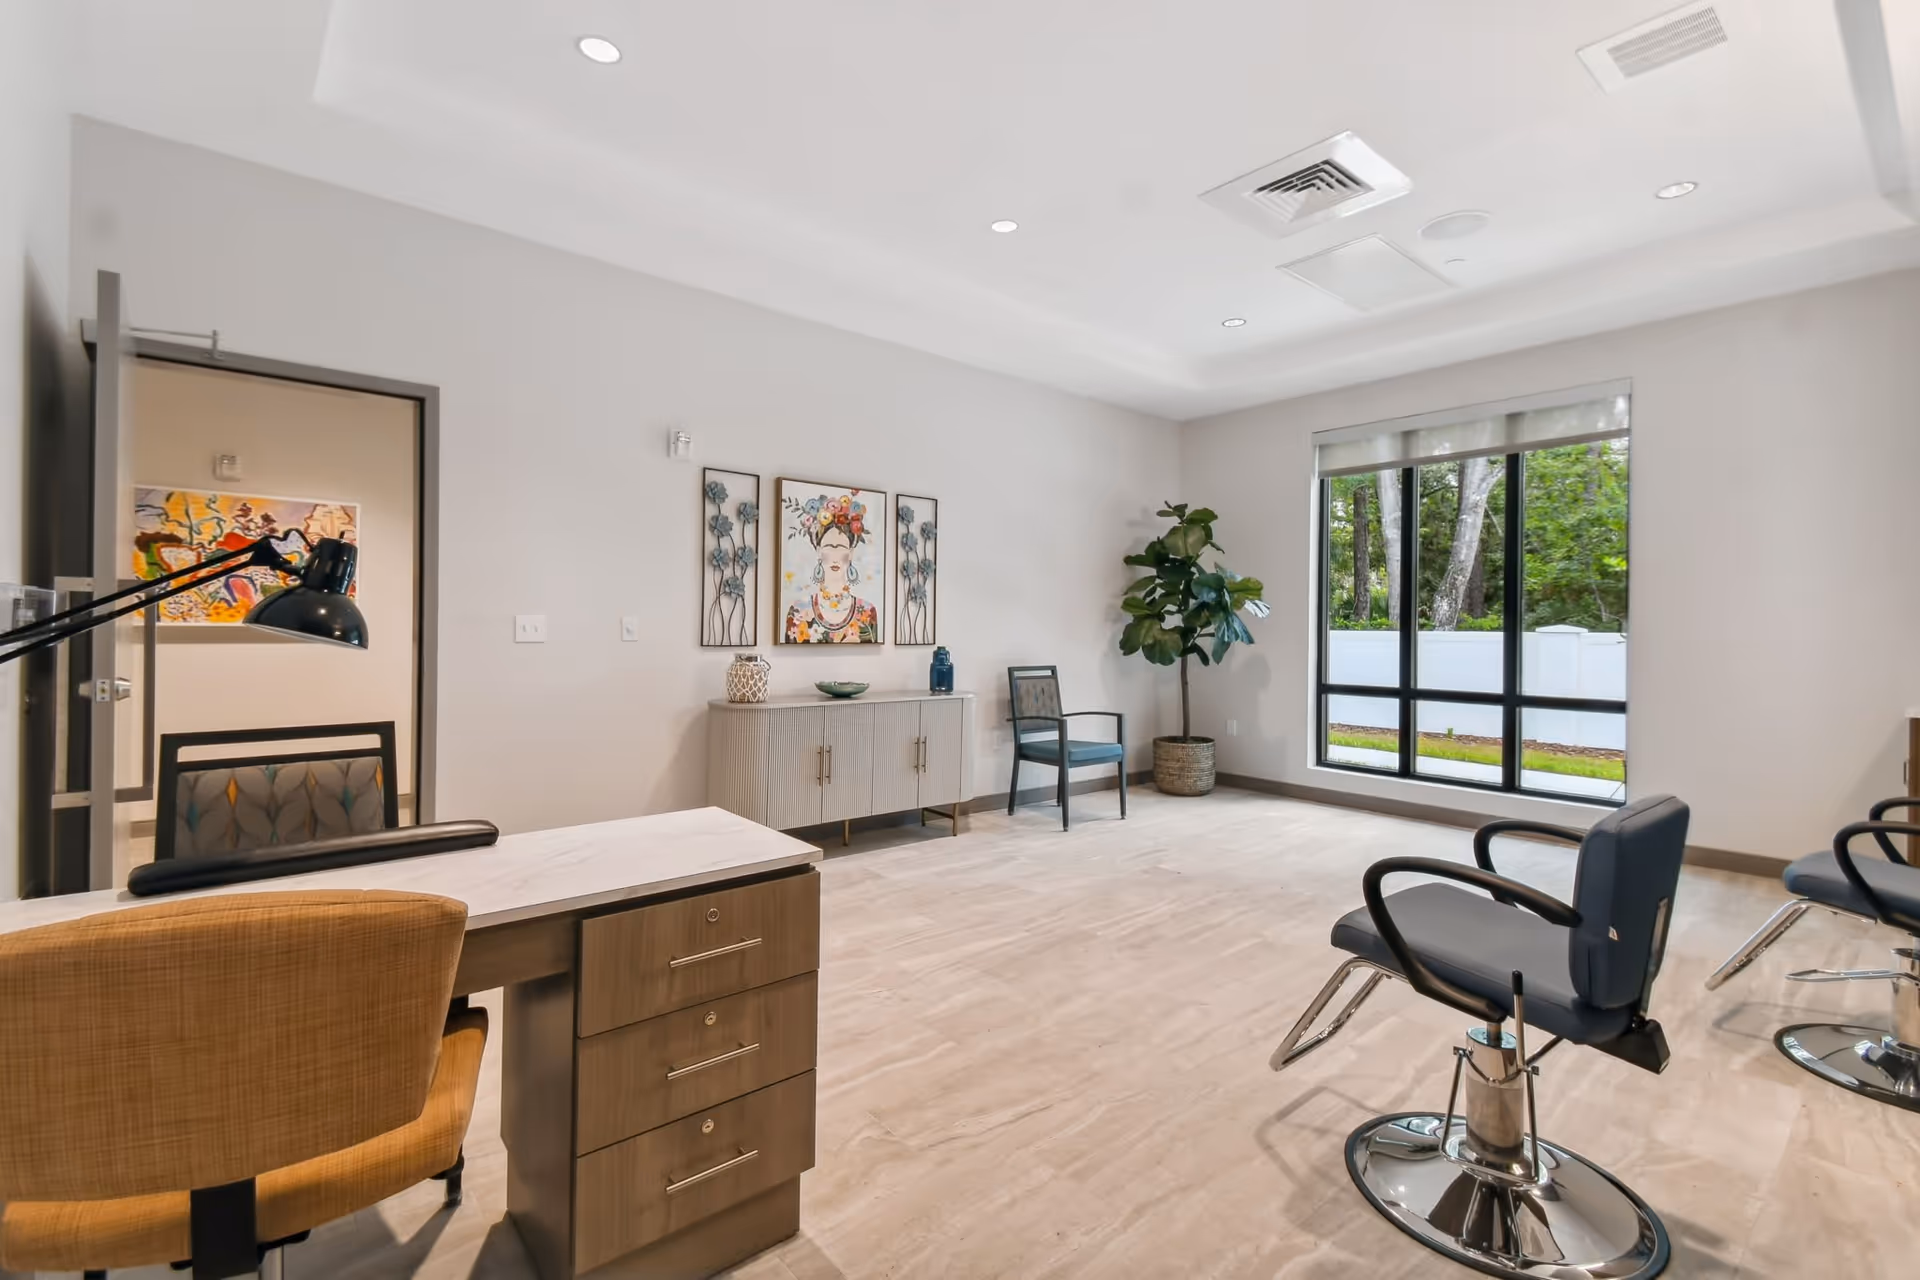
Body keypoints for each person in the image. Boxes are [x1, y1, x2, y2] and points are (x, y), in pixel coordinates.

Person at [784, 493, 879, 643]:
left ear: (850, 553)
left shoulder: (867, 612)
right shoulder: (798, 610)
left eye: (840, 547)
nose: (835, 557)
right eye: (829, 547)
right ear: (818, 551)